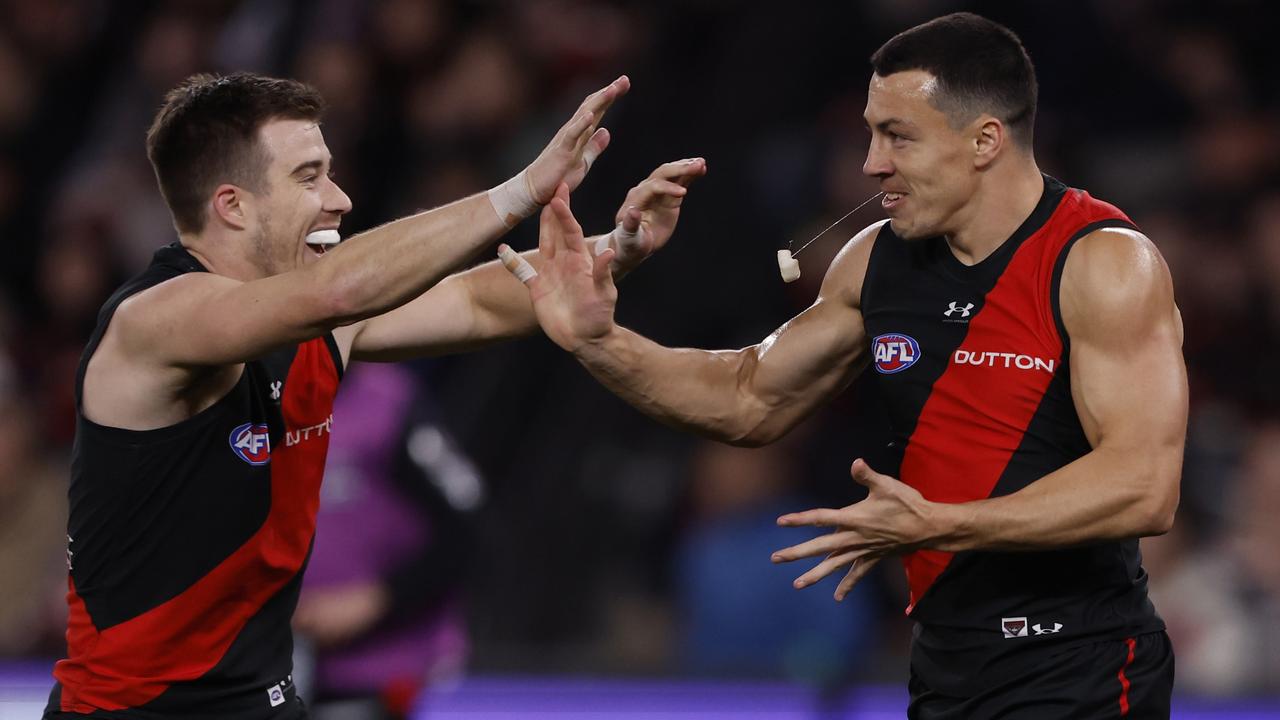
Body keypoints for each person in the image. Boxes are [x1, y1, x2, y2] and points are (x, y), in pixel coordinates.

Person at [505, 12, 1186, 719]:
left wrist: (941, 524)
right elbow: (748, 398)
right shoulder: (875, 260)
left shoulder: (1102, 261)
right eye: (870, 131)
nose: (870, 162)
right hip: (945, 669)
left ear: (984, 140)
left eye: (898, 135)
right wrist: (598, 340)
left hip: (1084, 667)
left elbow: (1144, 485)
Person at [46, 71, 706, 719]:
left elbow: (476, 302)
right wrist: (521, 191)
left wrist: (614, 250)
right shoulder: (154, 321)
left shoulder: (320, 324)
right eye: (308, 176)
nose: (338, 199)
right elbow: (340, 289)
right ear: (232, 205)